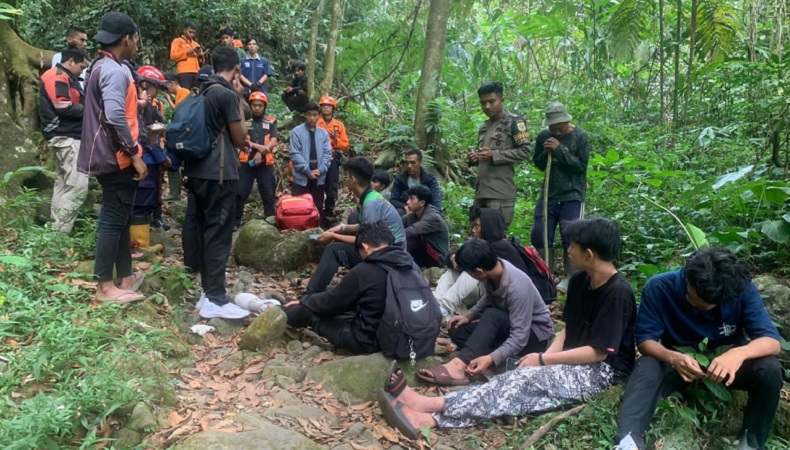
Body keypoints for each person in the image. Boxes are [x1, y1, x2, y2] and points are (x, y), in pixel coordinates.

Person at [379, 218, 636, 439]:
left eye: (573, 246)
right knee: (513, 385)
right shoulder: (580, 281)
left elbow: (598, 352)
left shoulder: (618, 293)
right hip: (574, 360)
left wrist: (543, 360)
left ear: (589, 254)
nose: (568, 250)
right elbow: (568, 330)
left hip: (603, 373)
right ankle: (429, 418)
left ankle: (428, 405)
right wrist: (544, 361)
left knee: (521, 382)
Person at [615, 247, 783, 450]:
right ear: (688, 278)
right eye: (691, 298)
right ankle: (629, 441)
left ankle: (751, 443)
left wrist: (738, 353)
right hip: (678, 364)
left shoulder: (739, 289)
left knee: (770, 368)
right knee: (647, 365)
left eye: (704, 306)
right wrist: (673, 357)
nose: (696, 305)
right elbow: (645, 340)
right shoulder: (660, 286)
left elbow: (771, 341)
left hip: (725, 368)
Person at [76, 12, 147, 304]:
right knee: (112, 218)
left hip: (107, 153)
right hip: (117, 156)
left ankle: (125, 278)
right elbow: (116, 115)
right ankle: (104, 287)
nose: (136, 44)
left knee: (121, 217)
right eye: (135, 39)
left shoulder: (99, 65)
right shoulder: (115, 71)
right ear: (126, 39)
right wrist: (134, 153)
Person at [417, 239, 553, 386]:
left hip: (533, 335)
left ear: (479, 271)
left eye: (469, 272)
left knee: (492, 315)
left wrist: (491, 358)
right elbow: (488, 298)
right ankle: (497, 359)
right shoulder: (493, 272)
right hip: (507, 327)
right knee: (457, 329)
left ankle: (459, 365)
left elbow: (520, 337)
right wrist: (468, 317)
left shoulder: (517, 288)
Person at [182, 46, 250, 320]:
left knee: (201, 229)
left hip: (197, 172)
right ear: (236, 69)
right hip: (219, 174)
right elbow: (240, 138)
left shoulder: (201, 90)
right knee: (218, 235)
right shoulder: (226, 95)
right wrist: (240, 98)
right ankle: (216, 298)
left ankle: (206, 291)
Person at [283, 221, 413, 354]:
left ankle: (278, 310)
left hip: (369, 341)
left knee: (309, 311)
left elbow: (331, 302)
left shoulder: (365, 270)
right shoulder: (410, 265)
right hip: (408, 338)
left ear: (365, 247)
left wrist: (305, 300)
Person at [306, 156, 406, 294]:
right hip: (388, 249)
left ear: (353, 179)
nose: (345, 180)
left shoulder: (370, 204)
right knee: (343, 235)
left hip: (389, 258)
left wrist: (334, 236)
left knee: (333, 250)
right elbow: (366, 226)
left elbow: (367, 242)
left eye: (346, 176)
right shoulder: (371, 196)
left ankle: (310, 294)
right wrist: (342, 228)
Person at [530, 102, 589, 291]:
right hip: (549, 194)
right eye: (553, 128)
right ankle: (544, 275)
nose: (557, 132)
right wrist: (546, 152)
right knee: (539, 233)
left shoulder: (581, 136)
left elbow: (580, 167)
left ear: (567, 121)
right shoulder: (544, 136)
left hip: (572, 194)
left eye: (561, 128)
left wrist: (559, 149)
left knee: (571, 235)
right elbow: (539, 163)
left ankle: (571, 277)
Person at [433, 208, 532, 318]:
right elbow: (453, 259)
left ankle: (445, 308)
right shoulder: (481, 244)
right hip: (483, 290)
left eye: (477, 226)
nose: (473, 230)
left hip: (499, 296)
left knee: (471, 270)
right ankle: (436, 303)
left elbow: (469, 264)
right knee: (452, 272)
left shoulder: (502, 248)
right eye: (473, 226)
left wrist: (458, 259)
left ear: (488, 227)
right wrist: (452, 258)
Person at [40, 46, 89, 234]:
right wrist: (91, 110)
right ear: (71, 61)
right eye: (81, 67)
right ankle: (61, 233)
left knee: (63, 184)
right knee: (78, 186)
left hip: (64, 136)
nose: (82, 71)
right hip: (66, 136)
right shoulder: (58, 76)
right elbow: (63, 106)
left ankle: (56, 233)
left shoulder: (65, 76)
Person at [468, 81, 531, 228]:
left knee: (496, 236)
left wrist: (494, 155)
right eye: (483, 103)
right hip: (481, 193)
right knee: (478, 236)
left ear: (502, 100)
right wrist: (475, 158)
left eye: (492, 101)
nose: (487, 106)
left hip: (500, 195)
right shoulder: (484, 126)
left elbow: (525, 151)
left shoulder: (514, 122)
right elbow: (485, 156)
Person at [234, 91, 279, 229]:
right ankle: (235, 221)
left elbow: (274, 141)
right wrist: (259, 148)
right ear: (250, 106)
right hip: (246, 162)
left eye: (260, 105)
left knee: (268, 192)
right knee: (240, 192)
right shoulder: (244, 122)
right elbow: (242, 140)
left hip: (265, 163)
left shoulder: (271, 121)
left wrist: (261, 151)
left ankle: (270, 219)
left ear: (264, 106)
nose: (257, 108)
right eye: (254, 105)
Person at [289, 101, 332, 227]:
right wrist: (307, 171)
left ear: (319, 115)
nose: (312, 118)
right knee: (298, 207)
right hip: (301, 177)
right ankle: (298, 230)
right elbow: (295, 154)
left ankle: (316, 231)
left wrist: (321, 170)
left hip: (318, 177)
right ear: (305, 115)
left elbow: (328, 154)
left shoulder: (323, 134)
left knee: (317, 206)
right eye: (309, 115)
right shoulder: (296, 132)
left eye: (315, 115)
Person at [317, 96, 350, 222]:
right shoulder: (316, 122)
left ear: (333, 108)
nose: (326, 108)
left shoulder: (338, 125)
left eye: (328, 106)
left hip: (332, 155)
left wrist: (336, 139)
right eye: (324, 106)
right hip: (317, 156)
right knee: (318, 184)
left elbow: (346, 146)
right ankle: (316, 211)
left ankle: (329, 211)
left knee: (331, 185)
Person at [402, 185, 448, 269]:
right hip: (425, 253)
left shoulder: (432, 217)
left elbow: (411, 231)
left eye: (412, 199)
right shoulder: (413, 215)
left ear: (422, 203)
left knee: (413, 238)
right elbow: (398, 222)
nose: (408, 202)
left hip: (438, 258)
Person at [389, 149, 442, 215]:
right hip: (407, 211)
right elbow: (393, 200)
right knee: (398, 213)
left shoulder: (430, 179)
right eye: (407, 163)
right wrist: (405, 207)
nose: (409, 166)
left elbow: (436, 200)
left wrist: (436, 214)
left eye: (413, 163)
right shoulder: (400, 179)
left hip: (425, 211)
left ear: (420, 163)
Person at [169, 21, 203, 90]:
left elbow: (201, 62)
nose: (192, 34)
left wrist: (201, 55)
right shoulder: (177, 41)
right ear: (184, 30)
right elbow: (172, 56)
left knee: (196, 93)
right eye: (190, 32)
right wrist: (187, 52)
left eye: (194, 33)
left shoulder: (196, 44)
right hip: (184, 72)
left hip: (196, 72)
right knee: (186, 93)